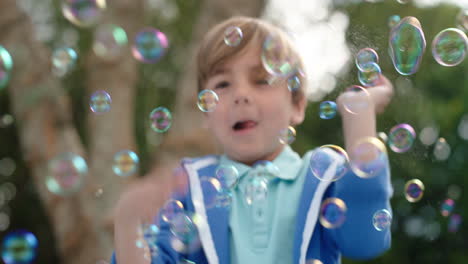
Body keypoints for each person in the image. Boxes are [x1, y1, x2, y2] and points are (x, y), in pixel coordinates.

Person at [111, 15, 394, 264]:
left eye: (261, 80)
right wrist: (128, 223)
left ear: (296, 105)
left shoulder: (323, 174)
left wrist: (360, 119)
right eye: (222, 84)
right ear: (206, 112)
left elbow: (365, 240)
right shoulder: (189, 186)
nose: (241, 95)